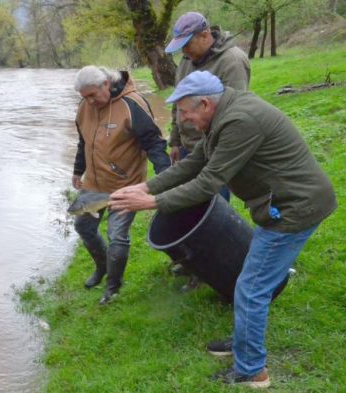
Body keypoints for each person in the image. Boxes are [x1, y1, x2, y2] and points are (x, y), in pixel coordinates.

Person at [109, 71, 336, 388]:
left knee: (251, 288)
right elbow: (193, 164)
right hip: (286, 202)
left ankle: (252, 371)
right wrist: (145, 187)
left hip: (295, 208)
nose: (184, 120)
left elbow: (207, 183)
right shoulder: (222, 114)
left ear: (204, 103)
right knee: (253, 281)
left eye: (186, 113)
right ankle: (246, 341)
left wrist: (153, 202)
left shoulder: (239, 121)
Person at [71, 66, 170, 305]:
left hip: (126, 185)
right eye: (84, 98)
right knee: (83, 226)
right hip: (94, 184)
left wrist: (166, 177)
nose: (89, 102)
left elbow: (155, 144)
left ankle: (113, 287)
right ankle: (103, 267)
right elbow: (83, 141)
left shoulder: (132, 104)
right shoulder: (85, 106)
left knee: (117, 235)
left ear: (106, 84)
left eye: (92, 95)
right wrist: (78, 170)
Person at [165, 11, 250, 201]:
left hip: (213, 151)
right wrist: (176, 140)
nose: (184, 52)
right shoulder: (186, 61)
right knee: (187, 205)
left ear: (204, 35)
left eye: (187, 45)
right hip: (188, 149)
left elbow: (235, 113)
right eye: (181, 48)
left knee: (213, 208)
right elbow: (178, 103)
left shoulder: (232, 61)